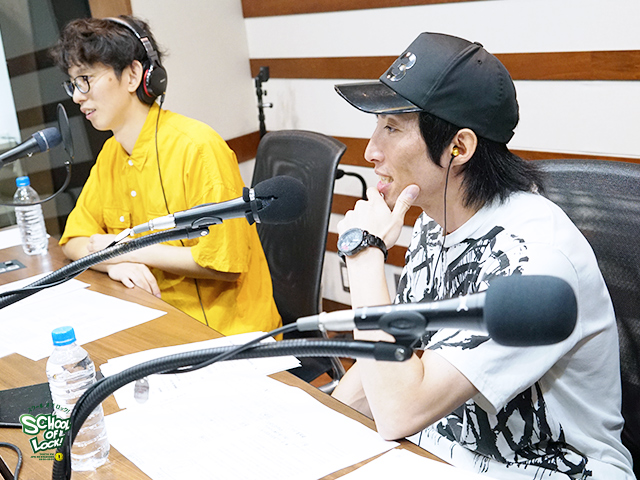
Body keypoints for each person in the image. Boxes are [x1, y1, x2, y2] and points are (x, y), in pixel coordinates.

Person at [331, 32, 635, 479]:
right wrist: (321, 423)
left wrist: (363, 253)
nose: (371, 150)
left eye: (392, 128)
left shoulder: (532, 263)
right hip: (438, 455)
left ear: (459, 147)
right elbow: (394, 356)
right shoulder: (434, 223)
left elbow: (399, 411)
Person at [50, 16, 280, 336]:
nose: (77, 96)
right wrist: (116, 263)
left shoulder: (197, 148)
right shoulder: (111, 154)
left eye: (85, 79)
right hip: (153, 322)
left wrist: (123, 249)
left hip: (225, 336)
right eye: (73, 83)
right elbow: (74, 241)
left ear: (133, 75)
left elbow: (223, 264)